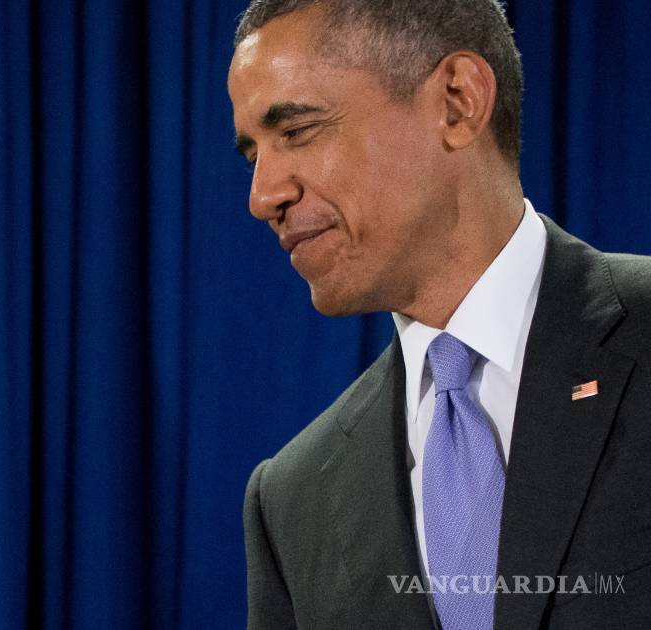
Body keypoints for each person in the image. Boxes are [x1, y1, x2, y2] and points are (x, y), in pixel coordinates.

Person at [228, 1, 651, 628]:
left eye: (297, 131)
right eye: (252, 156)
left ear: (458, 102)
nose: (264, 196)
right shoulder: (291, 500)